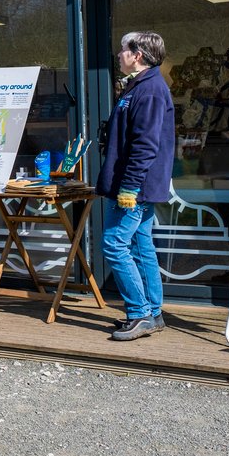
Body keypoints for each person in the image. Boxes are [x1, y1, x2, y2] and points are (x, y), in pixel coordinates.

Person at [96, 31, 175, 341]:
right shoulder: (140, 86)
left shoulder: (151, 90)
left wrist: (128, 187)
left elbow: (145, 145)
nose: (119, 55)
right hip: (136, 184)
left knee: (114, 244)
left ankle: (139, 313)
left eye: (123, 50)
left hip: (136, 188)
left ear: (138, 55)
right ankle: (153, 312)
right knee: (142, 247)